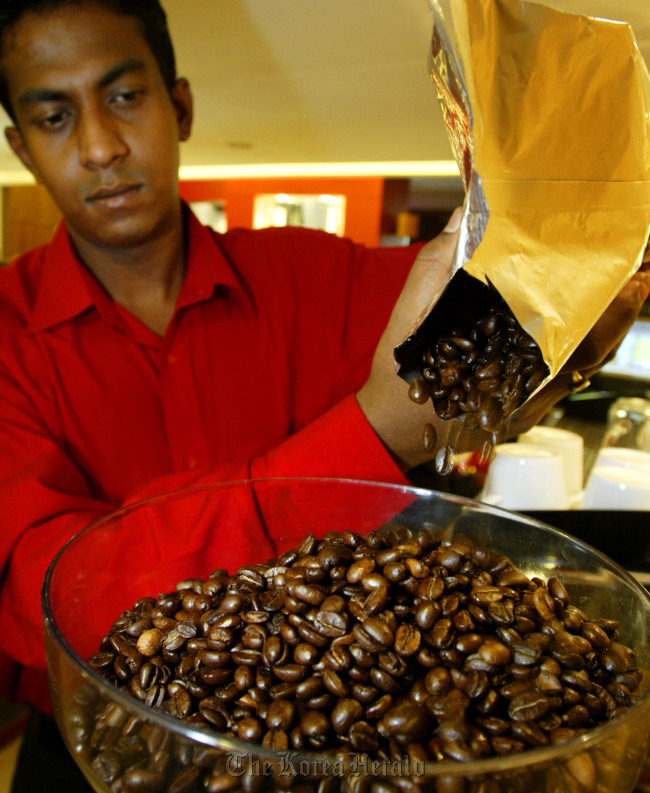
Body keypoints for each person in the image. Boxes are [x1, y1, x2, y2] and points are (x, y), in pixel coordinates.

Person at [0, 1, 648, 790]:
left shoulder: (317, 276)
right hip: (84, 750)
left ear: (181, 107)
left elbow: (502, 285)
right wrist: (378, 428)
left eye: (125, 96)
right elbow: (47, 598)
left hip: (332, 747)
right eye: (55, 115)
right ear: (19, 147)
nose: (101, 145)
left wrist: (568, 277)